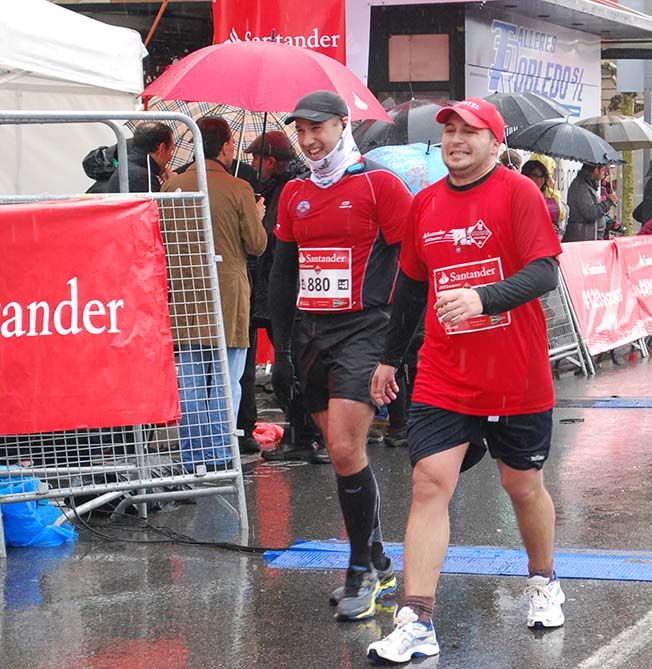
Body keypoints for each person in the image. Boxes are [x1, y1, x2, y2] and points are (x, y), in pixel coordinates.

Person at [367, 98, 564, 664]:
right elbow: (409, 289)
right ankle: (416, 619)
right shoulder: (424, 203)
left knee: (522, 486)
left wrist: (482, 297)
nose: (455, 139)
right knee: (430, 481)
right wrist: (389, 358)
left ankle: (544, 580)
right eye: (449, 130)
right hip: (444, 373)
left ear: (495, 142)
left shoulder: (518, 193)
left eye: (469, 131)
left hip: (515, 374)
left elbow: (545, 271)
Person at [268, 90, 413, 620]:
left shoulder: (380, 184)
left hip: (365, 328)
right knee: (339, 451)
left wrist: (397, 348)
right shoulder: (294, 192)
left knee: (347, 447)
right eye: (300, 132)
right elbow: (283, 274)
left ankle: (360, 574)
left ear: (342, 126)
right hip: (312, 331)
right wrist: (281, 352)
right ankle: (376, 555)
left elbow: (411, 265)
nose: (308, 141)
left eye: (318, 130)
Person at [162, 116, 267, 472]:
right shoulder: (237, 188)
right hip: (228, 294)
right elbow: (256, 245)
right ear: (224, 146)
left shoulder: (172, 187)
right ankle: (222, 453)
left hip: (184, 293)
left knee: (190, 380)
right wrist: (257, 213)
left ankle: (193, 456)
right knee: (226, 379)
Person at [235, 131, 328, 463]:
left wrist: (258, 218)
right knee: (288, 365)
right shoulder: (280, 187)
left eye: (256, 159)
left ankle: (306, 436)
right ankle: (302, 434)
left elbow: (271, 243)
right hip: (270, 289)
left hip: (283, 290)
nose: (252, 165)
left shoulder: (292, 189)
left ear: (271, 161)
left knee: (291, 364)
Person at [103, 122, 176, 193]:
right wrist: (172, 185)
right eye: (171, 150)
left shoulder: (126, 165)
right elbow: (157, 204)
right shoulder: (144, 178)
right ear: (162, 149)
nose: (170, 157)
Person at [564, 162, 618, 241]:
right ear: (596, 170)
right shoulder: (581, 187)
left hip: (589, 237)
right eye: (603, 170)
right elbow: (590, 213)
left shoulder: (588, 185)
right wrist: (608, 202)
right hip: (583, 239)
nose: (605, 173)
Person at [522, 159, 562, 234]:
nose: (539, 180)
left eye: (541, 176)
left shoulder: (549, 198)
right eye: (535, 175)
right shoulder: (520, 198)